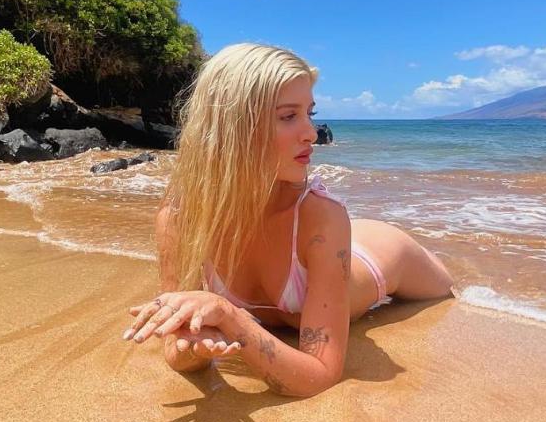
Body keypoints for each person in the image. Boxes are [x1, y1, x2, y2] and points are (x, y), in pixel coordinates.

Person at [122, 42, 453, 398]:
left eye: (309, 113)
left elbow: (320, 374)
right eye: (288, 116)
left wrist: (228, 316)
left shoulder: (323, 219)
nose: (311, 132)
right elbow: (177, 351)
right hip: (329, 247)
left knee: (447, 293)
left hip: (384, 254)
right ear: (236, 126)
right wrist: (197, 346)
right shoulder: (180, 218)